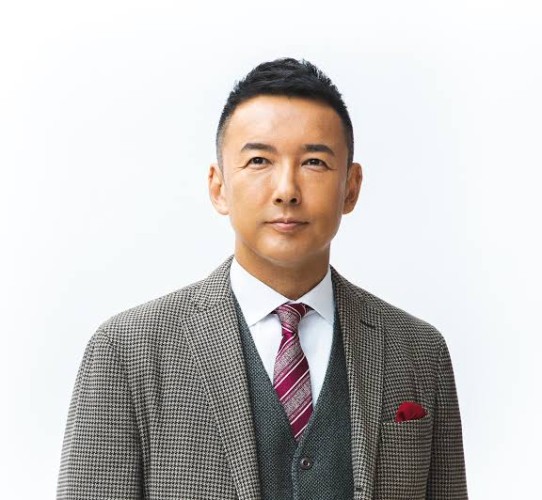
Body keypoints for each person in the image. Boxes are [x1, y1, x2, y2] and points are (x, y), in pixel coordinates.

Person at [56, 58, 468, 500]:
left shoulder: (419, 351)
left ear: (351, 187)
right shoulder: (126, 350)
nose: (286, 189)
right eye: (258, 160)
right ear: (218, 187)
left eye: (314, 162)